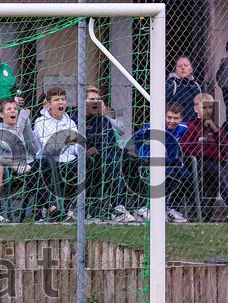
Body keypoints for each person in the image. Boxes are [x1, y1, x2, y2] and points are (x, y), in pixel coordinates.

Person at [76, 86, 136, 223]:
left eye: (97, 99)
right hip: (90, 161)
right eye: (91, 99)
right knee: (113, 161)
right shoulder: (77, 119)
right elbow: (73, 141)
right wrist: (85, 149)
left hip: (108, 154)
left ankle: (139, 207)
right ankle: (117, 208)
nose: (95, 102)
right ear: (82, 102)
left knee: (135, 161)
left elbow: (112, 141)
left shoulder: (103, 120)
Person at [130, 102, 190, 223]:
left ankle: (170, 208)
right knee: (161, 176)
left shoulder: (183, 128)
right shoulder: (154, 127)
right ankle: (148, 207)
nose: (172, 121)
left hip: (171, 161)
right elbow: (136, 138)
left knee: (187, 176)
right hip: (152, 160)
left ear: (181, 118)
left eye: (176, 118)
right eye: (169, 117)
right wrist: (143, 154)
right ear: (164, 117)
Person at [0, 99, 44, 221]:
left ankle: (44, 211)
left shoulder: (21, 124)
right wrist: (22, 122)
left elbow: (35, 149)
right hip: (10, 167)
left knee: (45, 165)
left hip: (28, 164)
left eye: (15, 109)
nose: (13, 111)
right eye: (9, 109)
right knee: (34, 173)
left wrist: (27, 126)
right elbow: (9, 145)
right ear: (1, 114)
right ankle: (47, 210)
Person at [33, 87, 78, 220]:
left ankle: (69, 206)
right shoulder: (40, 122)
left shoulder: (70, 122)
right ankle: (55, 209)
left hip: (68, 160)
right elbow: (49, 147)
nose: (61, 103)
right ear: (49, 104)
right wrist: (65, 141)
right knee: (51, 165)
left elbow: (76, 146)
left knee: (88, 162)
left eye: (63, 99)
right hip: (47, 162)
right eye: (57, 100)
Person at [180, 93, 228, 211]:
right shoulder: (189, 126)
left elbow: (225, 149)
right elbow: (185, 148)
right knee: (218, 172)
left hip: (217, 163)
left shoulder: (216, 128)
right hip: (199, 162)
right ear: (196, 109)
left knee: (212, 181)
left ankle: (202, 213)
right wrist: (206, 150)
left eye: (210, 107)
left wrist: (215, 130)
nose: (208, 111)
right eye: (204, 108)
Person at [166, 56, 203, 122]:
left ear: (191, 69)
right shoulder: (171, 83)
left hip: (195, 123)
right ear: (175, 69)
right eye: (179, 66)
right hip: (177, 124)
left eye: (186, 65)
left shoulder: (197, 85)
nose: (183, 68)